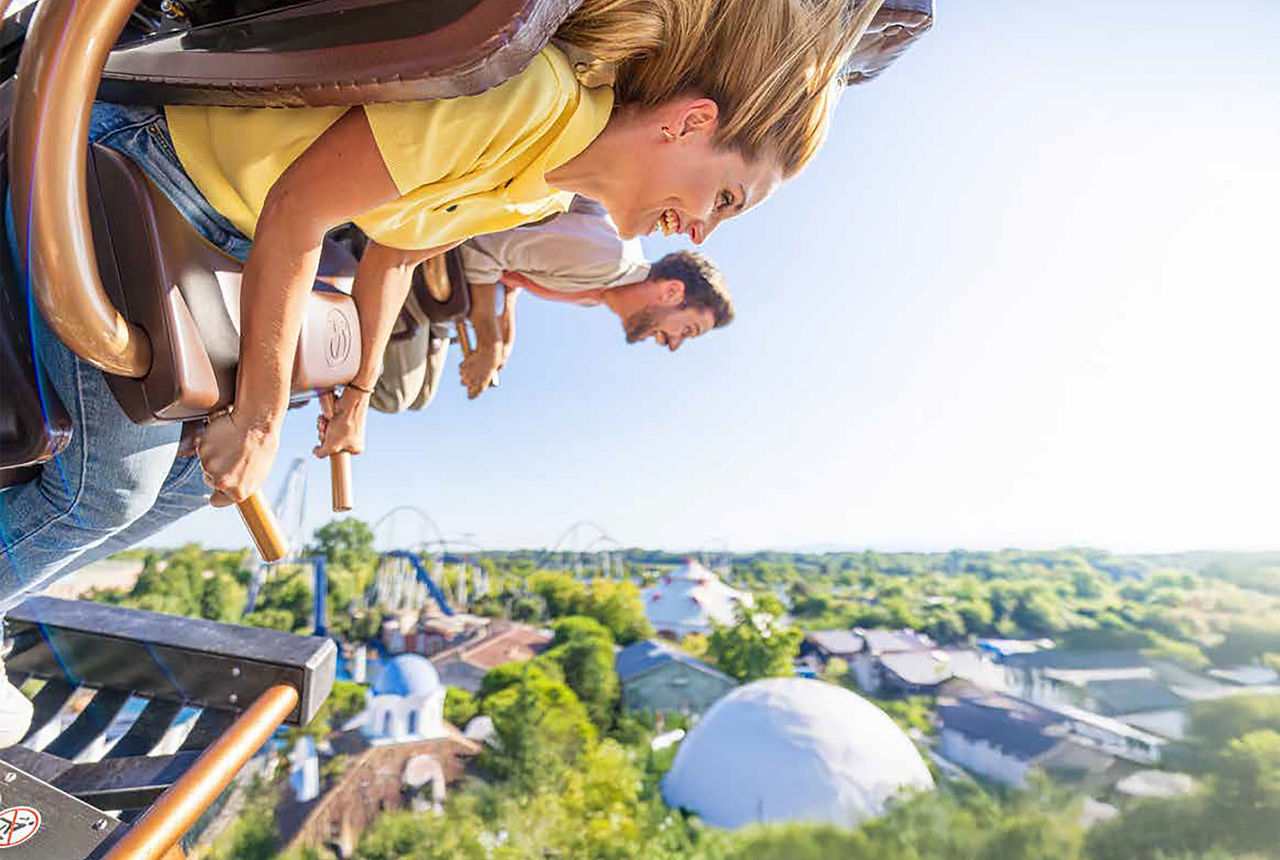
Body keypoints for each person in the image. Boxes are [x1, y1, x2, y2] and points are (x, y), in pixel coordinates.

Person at [0, 0, 885, 741]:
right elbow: (301, 214)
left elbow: (388, 251)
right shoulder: (533, 102)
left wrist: (351, 399)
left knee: (196, 484)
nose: (701, 228)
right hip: (143, 161)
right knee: (106, 492)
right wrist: (263, 418)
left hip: (213, 226)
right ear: (692, 124)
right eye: (724, 197)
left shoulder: (539, 185)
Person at [374, 196, 732, 414]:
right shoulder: (608, 257)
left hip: (456, 290)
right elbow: (482, 245)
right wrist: (488, 340)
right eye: (685, 330)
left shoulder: (597, 295)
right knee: (395, 397)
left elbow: (513, 271)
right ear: (671, 293)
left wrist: (505, 338)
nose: (672, 344)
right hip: (432, 253)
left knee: (420, 397)